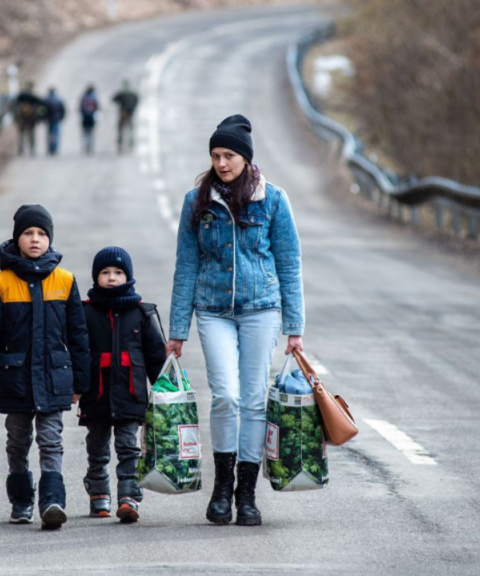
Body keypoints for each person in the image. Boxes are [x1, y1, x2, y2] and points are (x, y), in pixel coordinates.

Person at [166, 114, 305, 527]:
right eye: (215, 155)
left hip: (262, 308)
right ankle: (221, 489)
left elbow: (289, 263)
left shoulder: (273, 200)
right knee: (225, 395)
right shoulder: (197, 201)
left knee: (254, 398)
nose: (222, 163)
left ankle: (247, 494)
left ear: (245, 157)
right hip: (213, 311)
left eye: (228, 155)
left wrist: (294, 327)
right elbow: (186, 265)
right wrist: (177, 330)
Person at [0, 204, 91, 529]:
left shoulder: (65, 281)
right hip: (16, 381)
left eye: (41, 234)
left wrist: (81, 382)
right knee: (18, 441)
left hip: (54, 379)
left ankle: (52, 501)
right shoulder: (0, 283)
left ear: (50, 239)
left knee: (51, 439)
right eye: (28, 233)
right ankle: (21, 501)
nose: (35, 239)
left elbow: (78, 337)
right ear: (17, 238)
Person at [78, 247, 167, 523]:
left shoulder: (142, 312)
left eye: (118, 272)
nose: (112, 277)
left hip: (131, 394)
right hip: (97, 394)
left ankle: (129, 497)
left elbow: (156, 357)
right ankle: (98, 494)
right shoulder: (85, 312)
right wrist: (75, 386)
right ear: (96, 277)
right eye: (105, 273)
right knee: (97, 447)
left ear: (128, 276)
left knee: (129, 447)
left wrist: (166, 390)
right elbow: (77, 353)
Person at [13, 82, 45, 156]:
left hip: (21, 120)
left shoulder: (21, 96)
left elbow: (14, 106)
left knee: (21, 135)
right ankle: (32, 149)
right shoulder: (34, 97)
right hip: (31, 120)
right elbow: (41, 106)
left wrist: (16, 119)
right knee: (31, 135)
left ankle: (21, 149)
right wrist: (40, 118)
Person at [111, 80, 139, 154]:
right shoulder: (133, 94)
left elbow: (113, 100)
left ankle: (120, 145)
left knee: (120, 130)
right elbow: (137, 100)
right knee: (130, 130)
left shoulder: (121, 93)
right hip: (130, 114)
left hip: (122, 113)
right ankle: (131, 144)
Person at [43, 87, 66, 156]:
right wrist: (61, 118)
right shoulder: (58, 100)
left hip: (49, 120)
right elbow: (63, 110)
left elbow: (42, 110)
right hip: (56, 120)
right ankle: (54, 148)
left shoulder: (46, 100)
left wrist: (43, 118)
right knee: (55, 135)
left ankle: (50, 148)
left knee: (49, 135)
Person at [79, 85, 100, 155]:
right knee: (91, 133)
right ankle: (90, 147)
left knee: (85, 133)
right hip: (92, 117)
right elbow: (98, 107)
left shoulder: (84, 97)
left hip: (85, 117)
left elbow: (80, 108)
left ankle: (84, 146)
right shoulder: (94, 97)